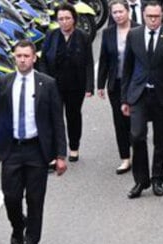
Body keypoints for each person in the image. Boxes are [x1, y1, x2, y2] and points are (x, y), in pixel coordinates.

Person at [0, 40, 68, 244]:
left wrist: (61, 154)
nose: (22, 60)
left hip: (36, 150)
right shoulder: (4, 83)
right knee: (10, 197)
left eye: (26, 56)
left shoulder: (47, 84)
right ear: (14, 57)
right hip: (11, 148)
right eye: (18, 56)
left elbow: (56, 121)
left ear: (34, 58)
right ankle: (17, 226)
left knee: (35, 200)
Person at [121, 1, 163, 198]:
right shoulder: (134, 34)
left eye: (157, 16)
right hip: (139, 94)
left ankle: (158, 178)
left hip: (161, 95)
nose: (153, 20)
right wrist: (125, 99)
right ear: (143, 15)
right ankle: (141, 180)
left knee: (161, 139)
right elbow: (127, 68)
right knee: (137, 135)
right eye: (150, 17)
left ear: (162, 15)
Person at [40, 4, 95, 162]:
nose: (64, 22)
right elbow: (43, 59)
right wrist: (44, 80)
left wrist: (89, 86)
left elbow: (89, 62)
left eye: (67, 18)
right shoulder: (51, 35)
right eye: (61, 19)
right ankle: (56, 151)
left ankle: (74, 147)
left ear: (74, 19)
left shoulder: (83, 36)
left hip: (75, 85)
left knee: (73, 116)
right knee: (54, 118)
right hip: (54, 84)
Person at [98, 1, 135, 175]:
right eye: (115, 12)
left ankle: (138, 153)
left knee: (135, 120)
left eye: (121, 11)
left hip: (135, 84)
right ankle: (125, 157)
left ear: (128, 12)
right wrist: (100, 84)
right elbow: (104, 59)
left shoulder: (138, 30)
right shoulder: (107, 33)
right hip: (116, 83)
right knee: (119, 121)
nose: (118, 15)